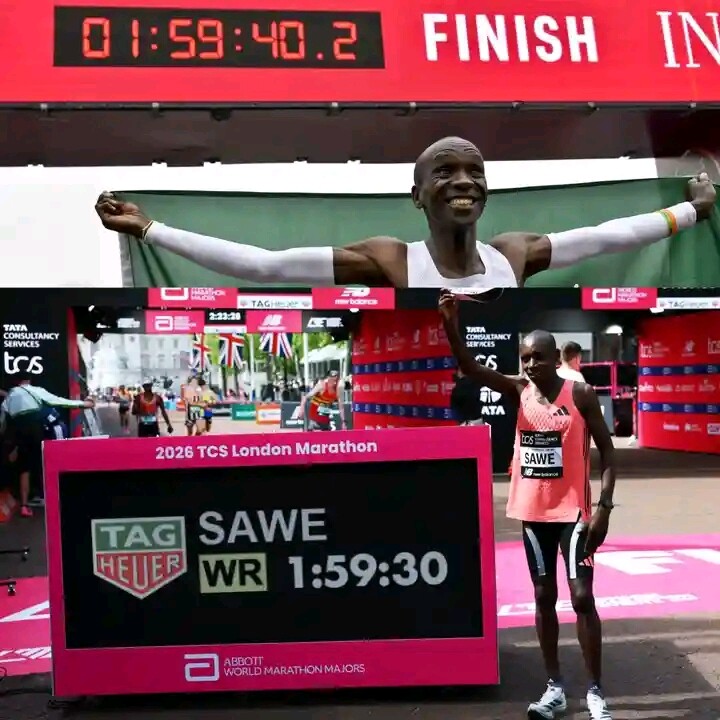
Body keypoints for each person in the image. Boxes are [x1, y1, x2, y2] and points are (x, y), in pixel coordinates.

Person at [94, 138, 716, 288]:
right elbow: (262, 265)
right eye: (444, 172)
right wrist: (148, 228)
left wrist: (692, 210)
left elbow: (611, 236)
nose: (463, 181)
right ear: (417, 195)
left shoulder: (515, 254)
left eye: (474, 172)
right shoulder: (391, 260)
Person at [439, 290, 616, 720]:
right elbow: (469, 367)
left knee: (581, 597)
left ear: (555, 358)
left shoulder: (580, 393)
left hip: (574, 513)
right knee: (543, 594)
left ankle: (596, 691)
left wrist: (604, 509)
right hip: (533, 514)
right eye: (524, 358)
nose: (531, 365)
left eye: (538, 357)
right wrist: (450, 322)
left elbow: (609, 452)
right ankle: (554, 688)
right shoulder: (520, 391)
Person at [0, 373, 94, 517]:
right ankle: (53, 497)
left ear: (16, 382)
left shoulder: (9, 397)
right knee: (45, 462)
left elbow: (2, 422)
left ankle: (24, 505)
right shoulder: (35, 390)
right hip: (36, 430)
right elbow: (59, 401)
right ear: (29, 380)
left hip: (18, 433)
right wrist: (84, 404)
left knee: (24, 468)